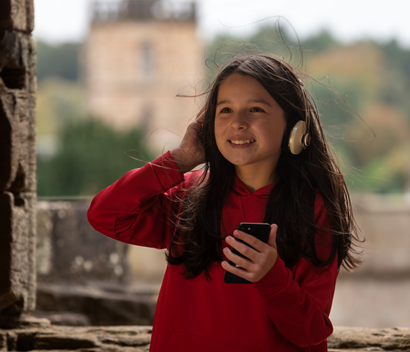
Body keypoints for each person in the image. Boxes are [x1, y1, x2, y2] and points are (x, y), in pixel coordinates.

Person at [88, 54, 361, 351]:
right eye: (226, 110)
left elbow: (310, 332)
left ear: (294, 124)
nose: (238, 123)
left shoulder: (313, 209)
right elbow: (105, 214)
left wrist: (272, 278)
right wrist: (178, 161)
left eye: (256, 109)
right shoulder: (188, 196)